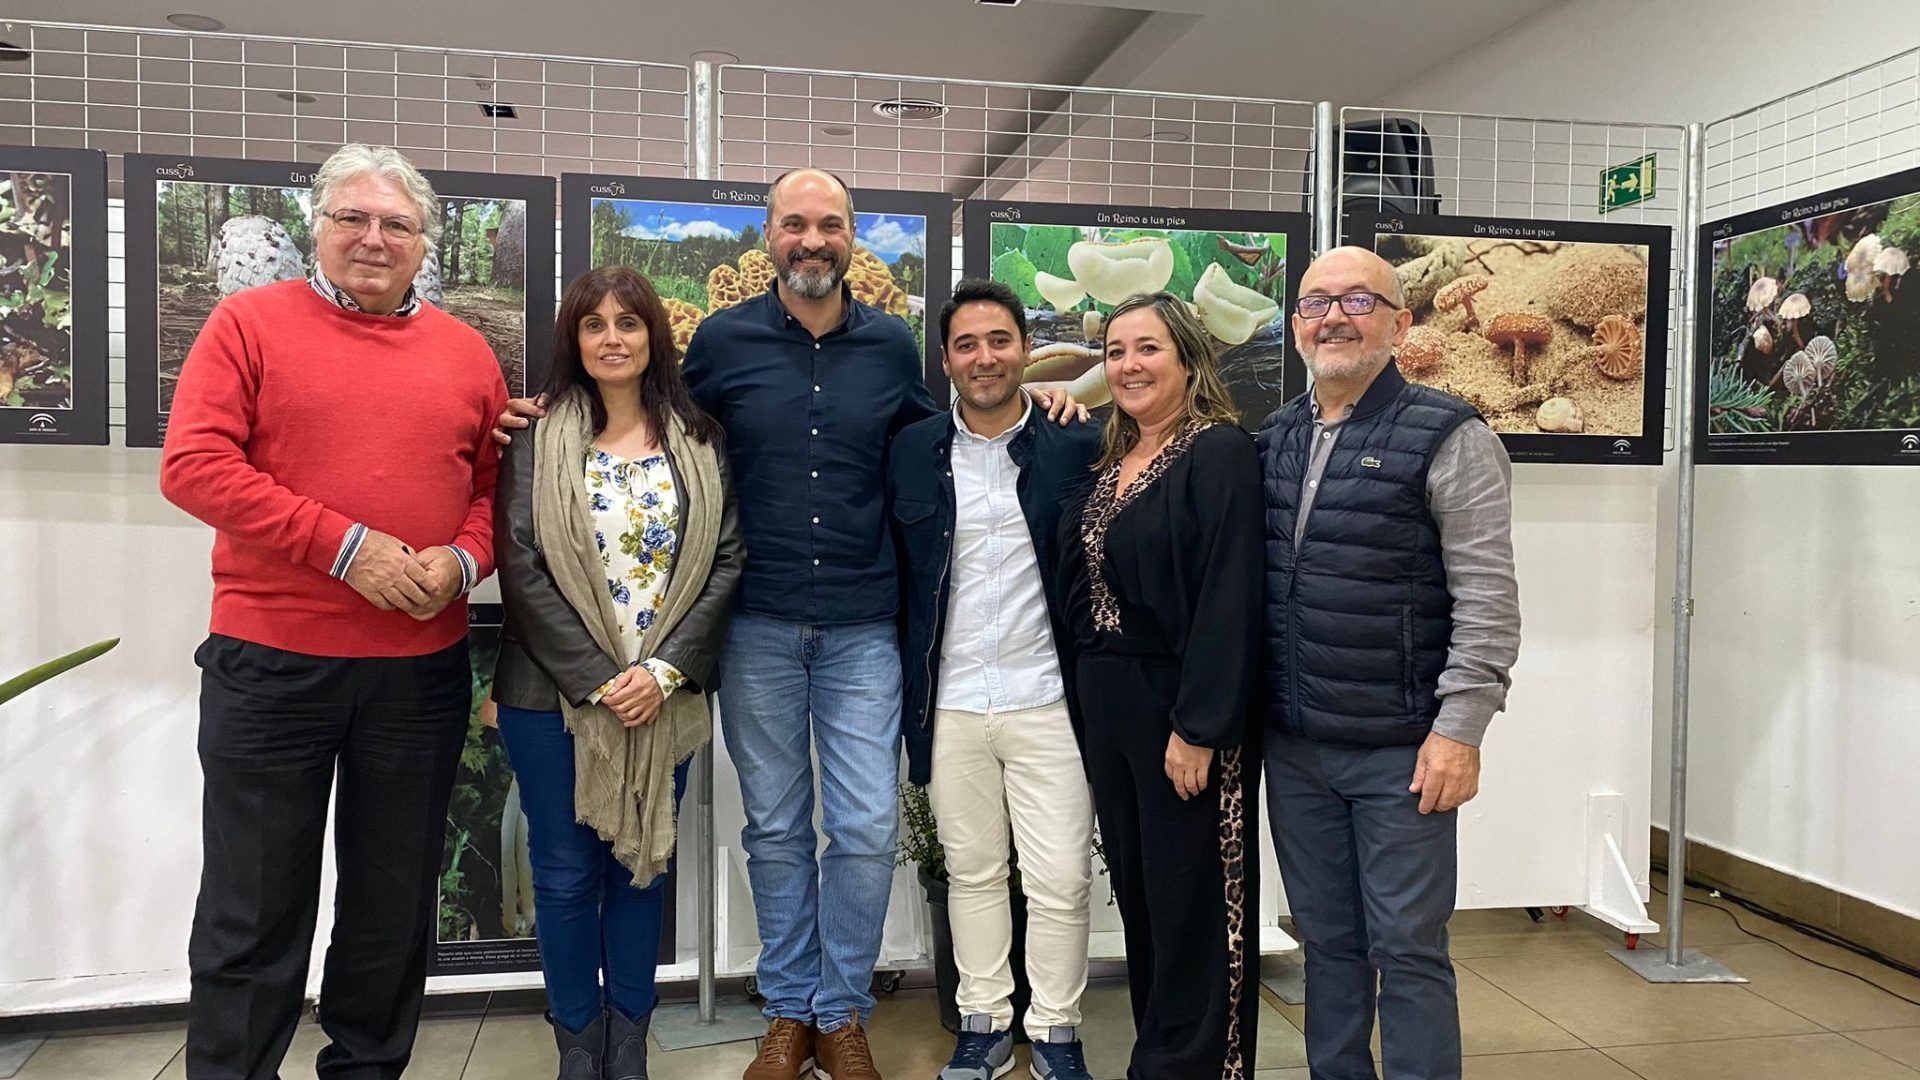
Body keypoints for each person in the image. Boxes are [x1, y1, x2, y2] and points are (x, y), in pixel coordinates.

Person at [494, 170, 1083, 1080]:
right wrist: (546, 416)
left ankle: (839, 1011)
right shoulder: (722, 340)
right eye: (796, 224)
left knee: (864, 827)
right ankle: (787, 1009)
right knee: (773, 828)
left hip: (864, 626)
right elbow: (655, 422)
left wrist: (1045, 410)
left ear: (853, 237)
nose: (813, 240)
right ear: (768, 235)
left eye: (831, 225)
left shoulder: (890, 345)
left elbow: (947, 435)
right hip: (756, 623)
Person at [159, 143, 508, 1080]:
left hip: (419, 674)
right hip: (272, 666)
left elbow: (491, 490)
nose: (373, 238)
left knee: (392, 908)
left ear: (423, 240)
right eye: (351, 218)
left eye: (396, 223)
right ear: (316, 226)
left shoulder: (467, 352)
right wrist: (345, 547)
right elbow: (194, 466)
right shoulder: (247, 324)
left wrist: (462, 559)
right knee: (253, 909)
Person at [1259, 247, 1520, 1080]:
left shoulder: (1450, 435)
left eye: (1358, 300)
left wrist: (1461, 730)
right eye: (1315, 303)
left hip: (1402, 751)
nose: (1334, 317)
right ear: (1295, 325)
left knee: (1407, 946)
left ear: (1401, 323)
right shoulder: (1274, 437)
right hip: (1296, 748)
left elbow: (1487, 599)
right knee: (1327, 943)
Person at [492, 265, 743, 1079]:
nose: (611, 338)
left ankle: (629, 1042)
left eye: (627, 323)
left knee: (641, 868)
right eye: (593, 323)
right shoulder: (534, 438)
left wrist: (663, 671)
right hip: (550, 697)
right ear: (573, 338)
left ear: (652, 336)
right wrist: (601, 677)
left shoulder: (699, 440)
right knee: (565, 876)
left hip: (660, 698)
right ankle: (578, 1043)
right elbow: (521, 564)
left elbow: (727, 560)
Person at [888, 279, 1102, 1080]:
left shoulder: (1075, 441)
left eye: (1000, 340)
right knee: (973, 872)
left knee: (1061, 877)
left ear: (1026, 349)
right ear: (945, 361)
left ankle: (1056, 1030)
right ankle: (983, 1023)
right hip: (951, 703)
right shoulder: (911, 450)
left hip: (1048, 698)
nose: (985, 358)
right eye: (967, 345)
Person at [1059, 291, 1264, 1078]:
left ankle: (1200, 1065)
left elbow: (1228, 594)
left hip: (1183, 709)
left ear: (1187, 358)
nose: (1128, 365)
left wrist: (1200, 727)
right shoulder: (1110, 463)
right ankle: (1160, 1056)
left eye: (1147, 348)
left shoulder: (1218, 452)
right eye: (1115, 352)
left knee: (1195, 904)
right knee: (1144, 899)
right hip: (1110, 708)